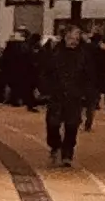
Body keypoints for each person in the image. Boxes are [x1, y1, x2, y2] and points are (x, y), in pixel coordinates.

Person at [42, 24, 101, 167]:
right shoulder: (55, 52)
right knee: (53, 123)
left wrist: (88, 92)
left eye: (76, 38)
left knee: (72, 125)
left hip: (75, 95)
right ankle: (55, 145)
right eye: (70, 38)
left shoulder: (84, 54)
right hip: (57, 94)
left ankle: (67, 153)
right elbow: (46, 71)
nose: (73, 41)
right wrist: (45, 88)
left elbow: (90, 74)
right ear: (65, 37)